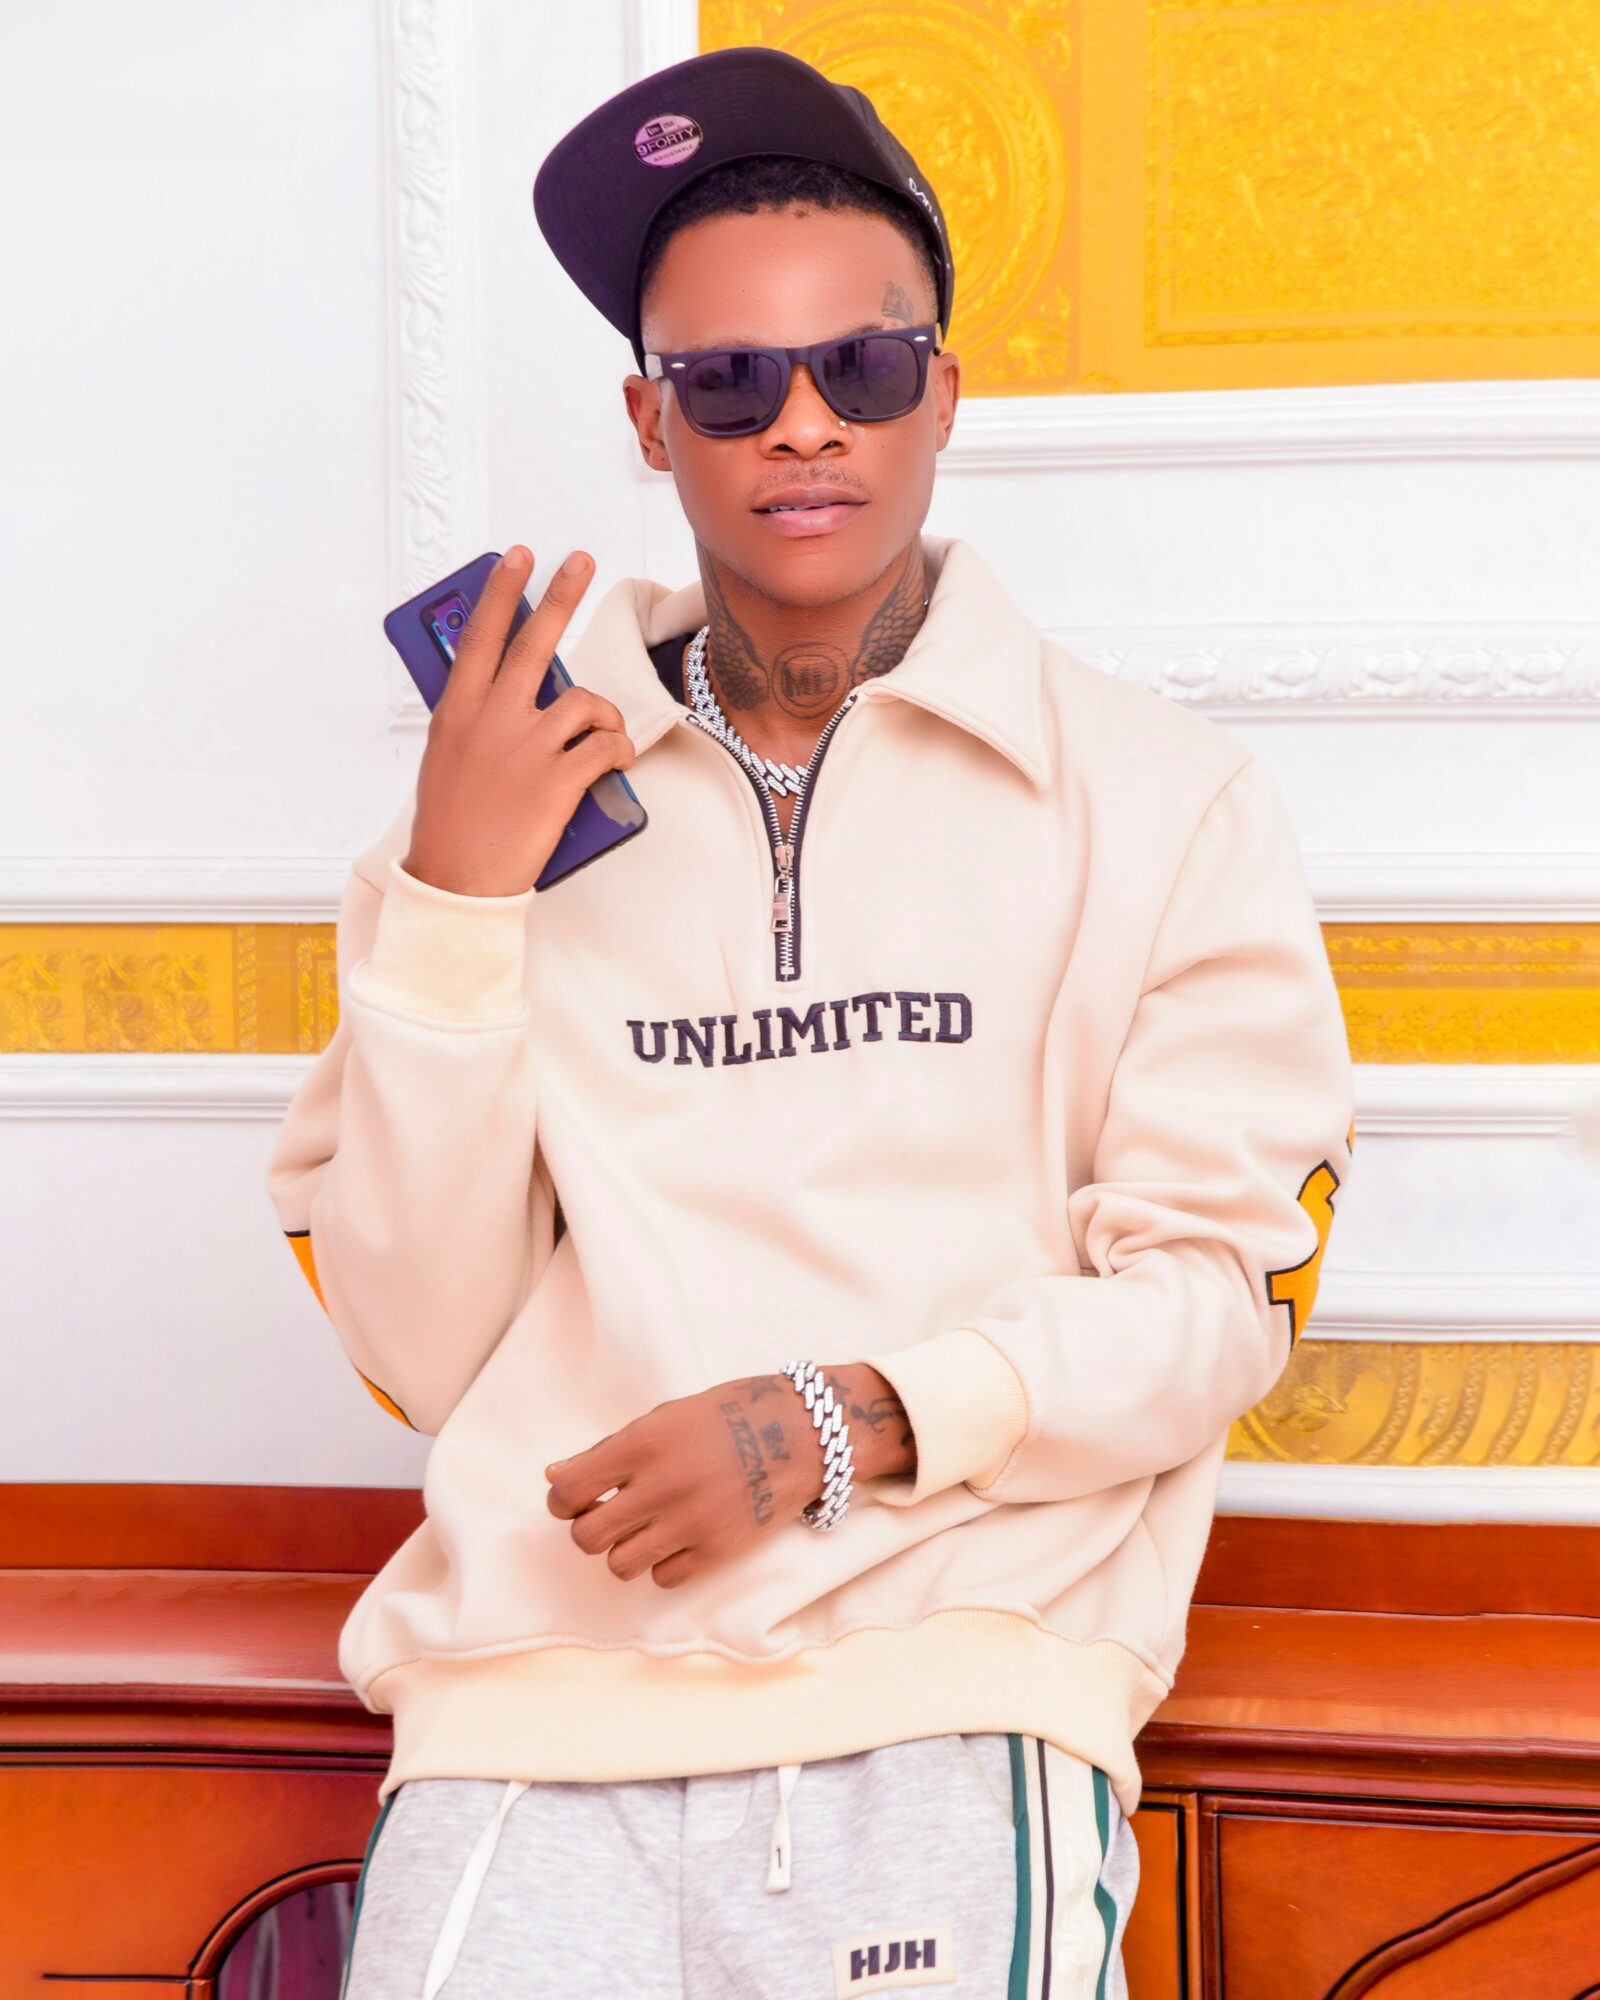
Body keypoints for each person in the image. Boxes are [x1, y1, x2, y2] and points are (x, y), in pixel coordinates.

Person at [266, 45, 1356, 2000]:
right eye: (727, 381)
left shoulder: (1160, 800)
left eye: (858, 366)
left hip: (948, 1717)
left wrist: (837, 1424)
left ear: (942, 391)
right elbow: (422, 1352)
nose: (800, 425)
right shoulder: (483, 824)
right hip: (519, 1730)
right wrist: (454, 902)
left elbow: (1215, 1312)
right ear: (647, 419)